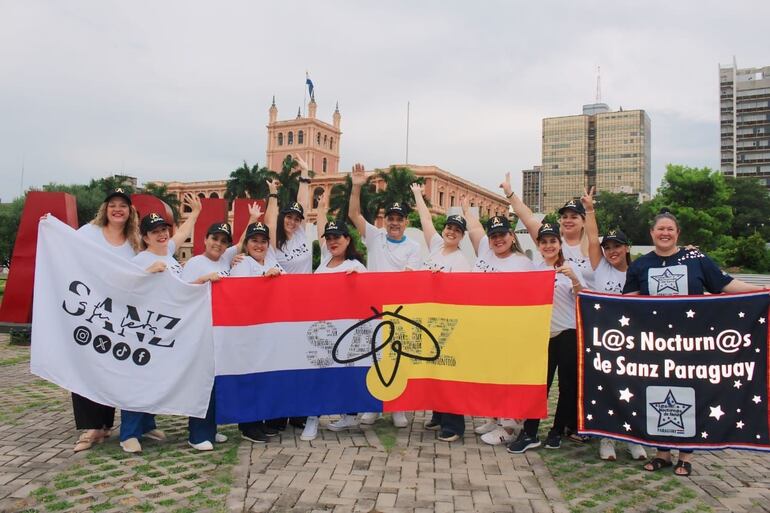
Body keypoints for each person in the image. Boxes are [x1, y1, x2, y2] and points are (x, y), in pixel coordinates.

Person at [624, 209, 767, 476]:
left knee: (690, 393)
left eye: (670, 229)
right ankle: (661, 452)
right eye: (660, 229)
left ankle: (686, 455)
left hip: (691, 343)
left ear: (677, 233)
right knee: (657, 392)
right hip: (655, 346)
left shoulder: (696, 258)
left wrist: (760, 291)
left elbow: (725, 284)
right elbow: (627, 302)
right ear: (651, 233)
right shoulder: (641, 265)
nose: (664, 233)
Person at [120, 193, 201, 453]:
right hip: (145, 330)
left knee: (156, 377)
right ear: (145, 237)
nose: (162, 235)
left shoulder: (170, 253)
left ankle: (147, 424)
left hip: (168, 331)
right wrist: (146, 274)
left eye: (164, 230)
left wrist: (195, 214)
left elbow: (183, 233)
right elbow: (123, 289)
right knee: (138, 379)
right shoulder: (140, 260)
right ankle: (128, 433)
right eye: (155, 232)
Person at [178, 209, 258, 451]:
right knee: (202, 383)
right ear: (205, 239)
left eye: (224, 242)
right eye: (215, 239)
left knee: (217, 383)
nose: (219, 244)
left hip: (221, 331)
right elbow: (181, 293)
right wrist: (202, 280)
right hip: (201, 330)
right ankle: (197, 433)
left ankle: (211, 429)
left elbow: (244, 239)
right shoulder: (194, 263)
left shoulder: (226, 260)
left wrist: (253, 219)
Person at [348, 163, 421, 428]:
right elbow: (354, 214)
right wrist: (356, 185)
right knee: (373, 357)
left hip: (400, 311)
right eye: (390, 218)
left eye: (399, 219)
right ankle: (373, 406)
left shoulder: (413, 247)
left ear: (405, 222)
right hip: (373, 308)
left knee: (397, 357)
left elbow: (412, 280)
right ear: (385, 220)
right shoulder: (375, 236)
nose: (394, 222)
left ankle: (398, 406)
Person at [506, 221, 585, 454]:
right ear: (538, 245)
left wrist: (575, 280)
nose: (548, 245)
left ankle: (557, 431)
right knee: (539, 386)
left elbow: (583, 298)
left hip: (569, 333)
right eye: (544, 242)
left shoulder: (570, 267)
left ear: (560, 244)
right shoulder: (535, 269)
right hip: (543, 336)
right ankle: (530, 432)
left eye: (553, 241)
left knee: (567, 387)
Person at [71, 188, 140, 452]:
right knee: (86, 365)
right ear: (105, 209)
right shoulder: (89, 233)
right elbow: (65, 245)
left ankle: (105, 424)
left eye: (123, 205)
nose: (117, 209)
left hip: (119, 317)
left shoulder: (134, 241)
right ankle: (92, 427)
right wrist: (48, 225)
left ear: (130, 211)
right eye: (113, 205)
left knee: (113, 366)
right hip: (89, 312)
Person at [580, 188, 647, 462]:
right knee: (606, 389)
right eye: (608, 248)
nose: (611, 251)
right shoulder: (600, 268)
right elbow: (592, 239)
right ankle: (606, 438)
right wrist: (590, 210)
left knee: (632, 390)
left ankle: (633, 438)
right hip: (603, 339)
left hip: (632, 342)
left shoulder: (639, 272)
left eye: (616, 246)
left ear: (627, 247)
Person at [462, 195, 535, 445]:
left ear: (512, 236)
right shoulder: (485, 251)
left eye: (503, 234)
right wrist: (466, 209)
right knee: (490, 377)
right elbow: (474, 228)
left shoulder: (523, 263)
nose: (498, 239)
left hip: (510, 331)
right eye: (494, 235)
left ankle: (510, 426)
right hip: (485, 329)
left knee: (509, 379)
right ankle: (495, 417)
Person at [301, 192, 367, 440]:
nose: (331, 242)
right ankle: (312, 417)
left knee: (345, 374)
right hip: (320, 330)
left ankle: (349, 414)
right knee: (318, 375)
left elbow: (365, 298)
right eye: (328, 238)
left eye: (336, 237)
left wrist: (357, 284)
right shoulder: (323, 264)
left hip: (346, 332)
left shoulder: (356, 267)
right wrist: (321, 209)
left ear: (348, 240)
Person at [410, 183, 472, 442]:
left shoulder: (461, 261)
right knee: (433, 368)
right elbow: (425, 220)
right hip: (429, 320)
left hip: (449, 323)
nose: (450, 232)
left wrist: (441, 281)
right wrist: (417, 195)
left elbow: (462, 295)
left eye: (457, 230)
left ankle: (454, 424)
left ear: (462, 236)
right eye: (449, 227)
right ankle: (438, 414)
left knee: (448, 373)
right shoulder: (436, 246)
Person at [265, 159, 313, 432]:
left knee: (301, 359)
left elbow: (302, 203)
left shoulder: (303, 235)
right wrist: (273, 195)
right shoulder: (273, 240)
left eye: (296, 218)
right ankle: (275, 415)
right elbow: (270, 219)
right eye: (289, 217)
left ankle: (297, 412)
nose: (293, 221)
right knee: (280, 360)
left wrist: (305, 176)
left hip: (303, 305)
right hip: (280, 306)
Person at [230, 220, 284, 443]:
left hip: (268, 332)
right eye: (254, 241)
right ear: (246, 243)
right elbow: (240, 294)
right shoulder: (242, 263)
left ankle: (259, 420)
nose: (259, 245)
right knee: (250, 377)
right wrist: (266, 281)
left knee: (262, 377)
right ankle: (248, 424)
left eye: (263, 241)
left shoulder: (271, 263)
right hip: (248, 330)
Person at [505, 172, 593, 287]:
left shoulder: (592, 245)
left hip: (588, 302)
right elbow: (528, 218)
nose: (568, 220)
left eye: (574, 217)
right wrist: (510, 194)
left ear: (584, 220)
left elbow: (593, 231)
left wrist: (590, 209)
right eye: (564, 217)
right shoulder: (552, 240)